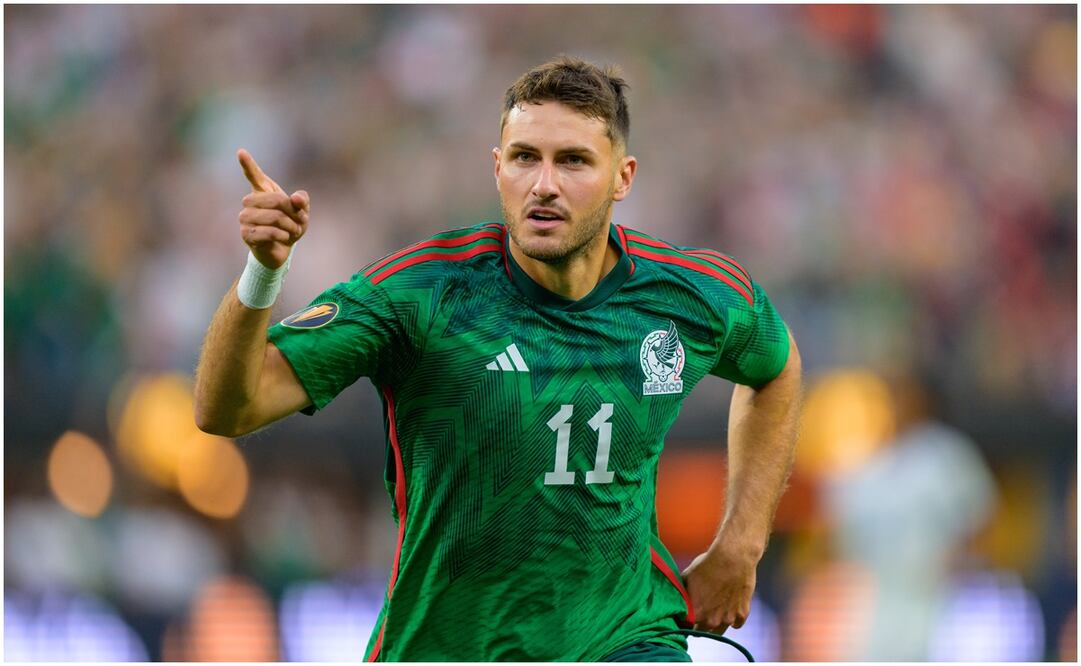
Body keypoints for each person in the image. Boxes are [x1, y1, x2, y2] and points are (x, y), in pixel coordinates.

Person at [194, 55, 801, 662]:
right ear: (497, 167)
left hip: (625, 637)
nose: (544, 184)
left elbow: (775, 369)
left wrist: (740, 546)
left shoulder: (688, 295)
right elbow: (227, 408)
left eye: (573, 161)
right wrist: (262, 273)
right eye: (524, 157)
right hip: (450, 645)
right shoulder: (423, 293)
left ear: (623, 177)